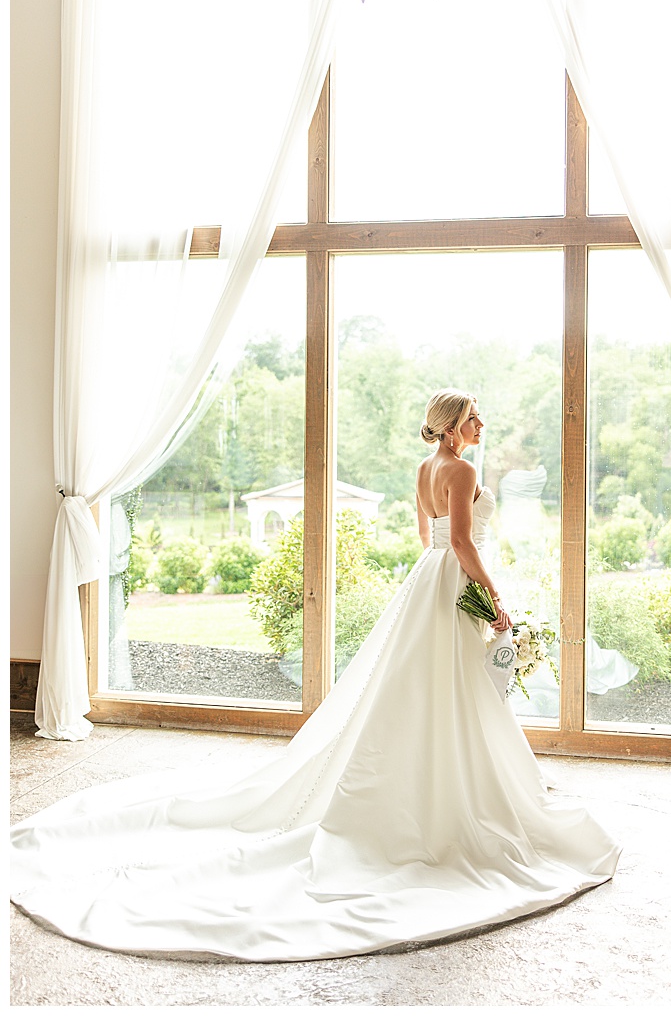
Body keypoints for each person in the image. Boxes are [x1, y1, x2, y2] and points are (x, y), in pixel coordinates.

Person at [11, 389, 620, 961]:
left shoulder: (423, 469)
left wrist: (448, 579)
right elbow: (461, 540)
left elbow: (427, 537)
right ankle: (453, 786)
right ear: (454, 426)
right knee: (455, 689)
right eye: (474, 419)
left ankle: (441, 773)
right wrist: (493, 597)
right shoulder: (460, 470)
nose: (482, 426)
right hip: (455, 577)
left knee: (425, 688)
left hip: (427, 581)